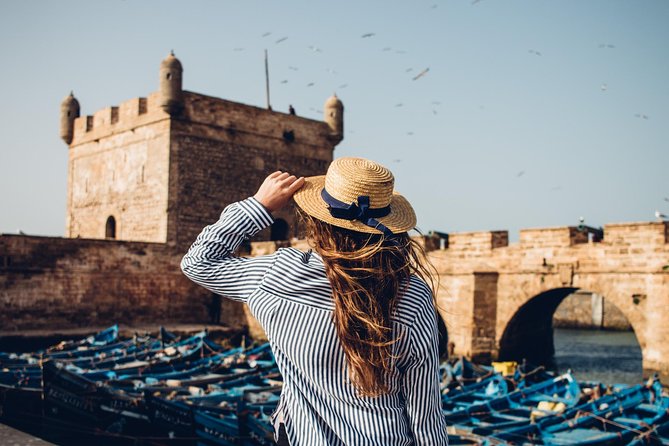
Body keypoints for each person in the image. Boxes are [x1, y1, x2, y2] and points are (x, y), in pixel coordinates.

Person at [181, 157, 448, 445]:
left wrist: (260, 205)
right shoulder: (412, 294)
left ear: (316, 220)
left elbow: (199, 262)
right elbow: (425, 410)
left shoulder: (279, 276)